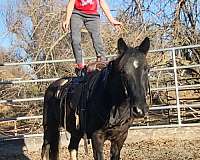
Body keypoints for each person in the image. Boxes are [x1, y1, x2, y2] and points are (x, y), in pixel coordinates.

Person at [62, 0, 122, 74]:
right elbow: (71, 2)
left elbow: (102, 2)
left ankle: (101, 60)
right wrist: (67, 20)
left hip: (92, 15)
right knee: (75, 40)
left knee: (97, 38)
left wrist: (112, 20)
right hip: (77, 13)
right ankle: (79, 64)